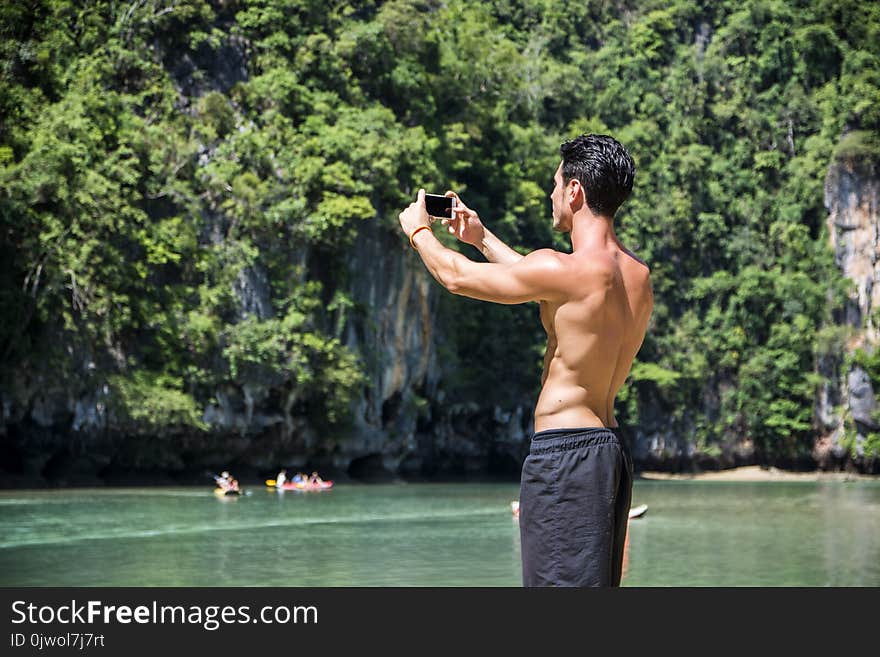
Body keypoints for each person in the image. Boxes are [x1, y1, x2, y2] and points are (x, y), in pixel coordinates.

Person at [397, 134, 653, 586]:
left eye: (556, 185)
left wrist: (418, 231)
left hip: (565, 456)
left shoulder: (567, 268)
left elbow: (457, 278)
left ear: (575, 191)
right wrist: (482, 238)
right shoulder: (636, 276)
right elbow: (548, 288)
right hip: (609, 454)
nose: (551, 195)